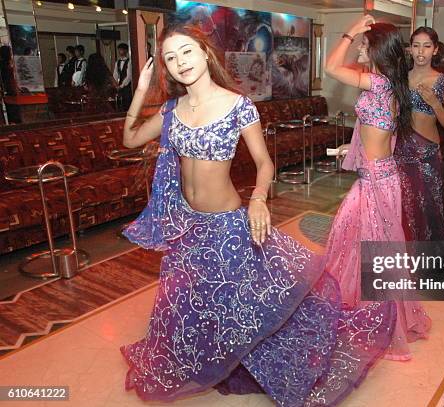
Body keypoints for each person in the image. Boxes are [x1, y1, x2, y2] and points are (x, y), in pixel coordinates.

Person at [119, 23, 395, 404]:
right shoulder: (171, 109)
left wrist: (260, 198)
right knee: (196, 300)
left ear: (204, 53)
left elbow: (265, 163)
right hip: (186, 226)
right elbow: (130, 137)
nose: (180, 62)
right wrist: (140, 90)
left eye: (186, 52)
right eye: (170, 57)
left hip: (227, 224)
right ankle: (210, 355)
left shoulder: (237, 105)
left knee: (243, 304)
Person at [324, 16, 430, 360]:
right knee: (360, 242)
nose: (359, 47)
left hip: (377, 181)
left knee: (365, 245)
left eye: (364, 44)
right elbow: (381, 133)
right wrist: (352, 149)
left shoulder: (378, 84)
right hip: (381, 175)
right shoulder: (390, 85)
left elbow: (330, 67)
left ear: (376, 48)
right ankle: (366, 308)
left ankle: (375, 318)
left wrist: (349, 30)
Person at [395, 26, 444, 242]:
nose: (421, 51)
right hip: (399, 154)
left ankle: (428, 264)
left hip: (426, 157)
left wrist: (433, 103)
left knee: (428, 211)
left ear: (435, 50)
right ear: (409, 49)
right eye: (416, 45)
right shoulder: (399, 78)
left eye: (427, 46)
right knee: (402, 208)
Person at [113, 43, 132, 111]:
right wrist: (115, 84)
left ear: (126, 51)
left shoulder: (129, 61)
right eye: (119, 50)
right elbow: (115, 74)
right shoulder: (117, 62)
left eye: (121, 50)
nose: (119, 52)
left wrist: (121, 86)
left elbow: (129, 76)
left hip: (127, 86)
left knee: (127, 103)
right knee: (120, 105)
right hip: (119, 86)